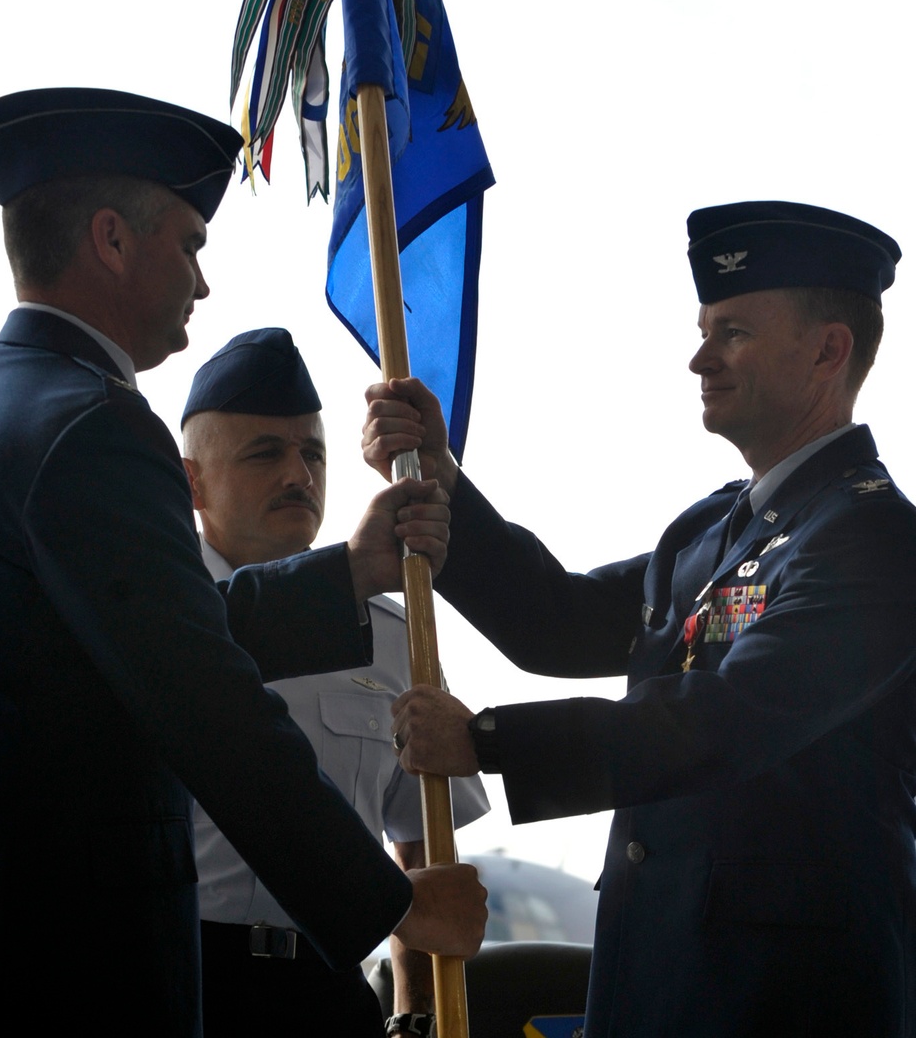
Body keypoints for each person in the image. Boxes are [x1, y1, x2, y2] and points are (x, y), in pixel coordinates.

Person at [0, 87, 486, 1038]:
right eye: (190, 244)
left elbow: (126, 638)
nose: (202, 283)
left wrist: (341, 575)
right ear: (111, 239)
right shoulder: (93, 424)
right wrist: (393, 907)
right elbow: (204, 699)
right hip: (69, 974)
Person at [364, 200, 916, 1038]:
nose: (700, 358)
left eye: (732, 332)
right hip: (658, 980)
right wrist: (438, 477)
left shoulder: (872, 536)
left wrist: (486, 743)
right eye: (704, 330)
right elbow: (558, 622)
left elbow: (730, 719)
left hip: (784, 999)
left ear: (828, 350)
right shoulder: (709, 530)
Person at [180, 328, 490, 1037]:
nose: (299, 474)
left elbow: (422, 850)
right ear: (190, 481)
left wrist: (416, 1015)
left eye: (312, 453)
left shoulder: (396, 636)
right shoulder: (147, 624)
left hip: (326, 988)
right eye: (266, 453)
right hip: (184, 978)